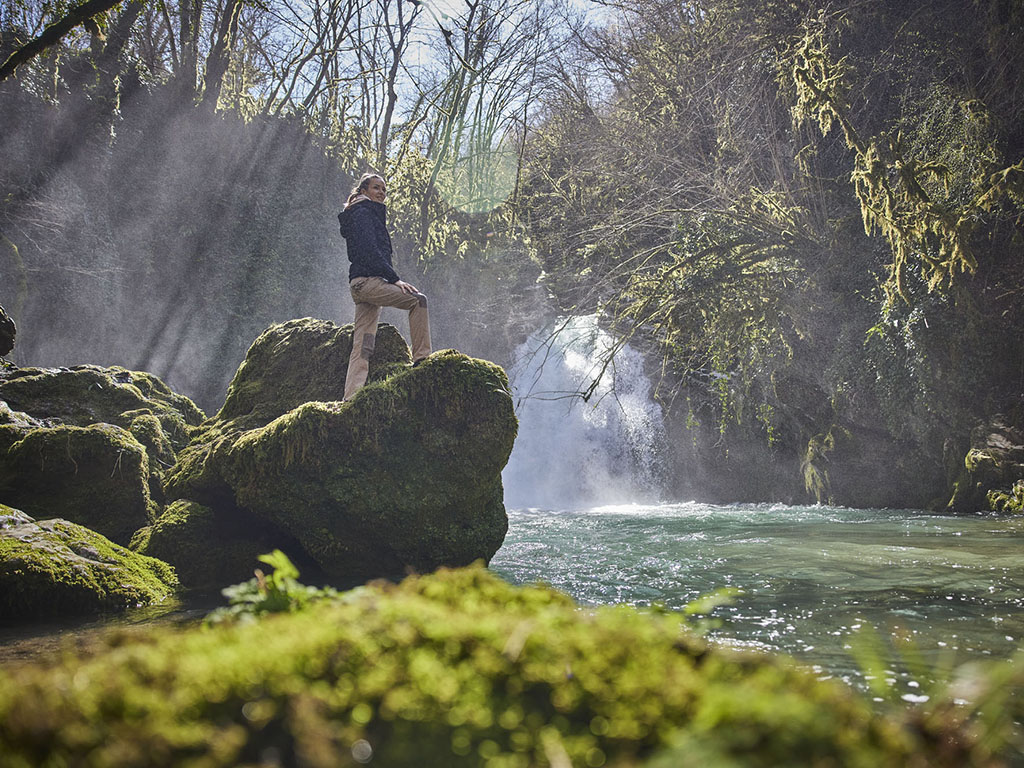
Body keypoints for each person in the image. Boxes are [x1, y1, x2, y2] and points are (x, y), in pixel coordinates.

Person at [338, 172, 431, 400]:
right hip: (370, 283)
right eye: (376, 188)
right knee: (418, 300)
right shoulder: (363, 213)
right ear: (363, 191)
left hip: (361, 287)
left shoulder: (360, 213)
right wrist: (394, 278)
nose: (381, 193)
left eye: (384, 190)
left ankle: (351, 397)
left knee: (363, 345)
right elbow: (370, 251)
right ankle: (422, 359)